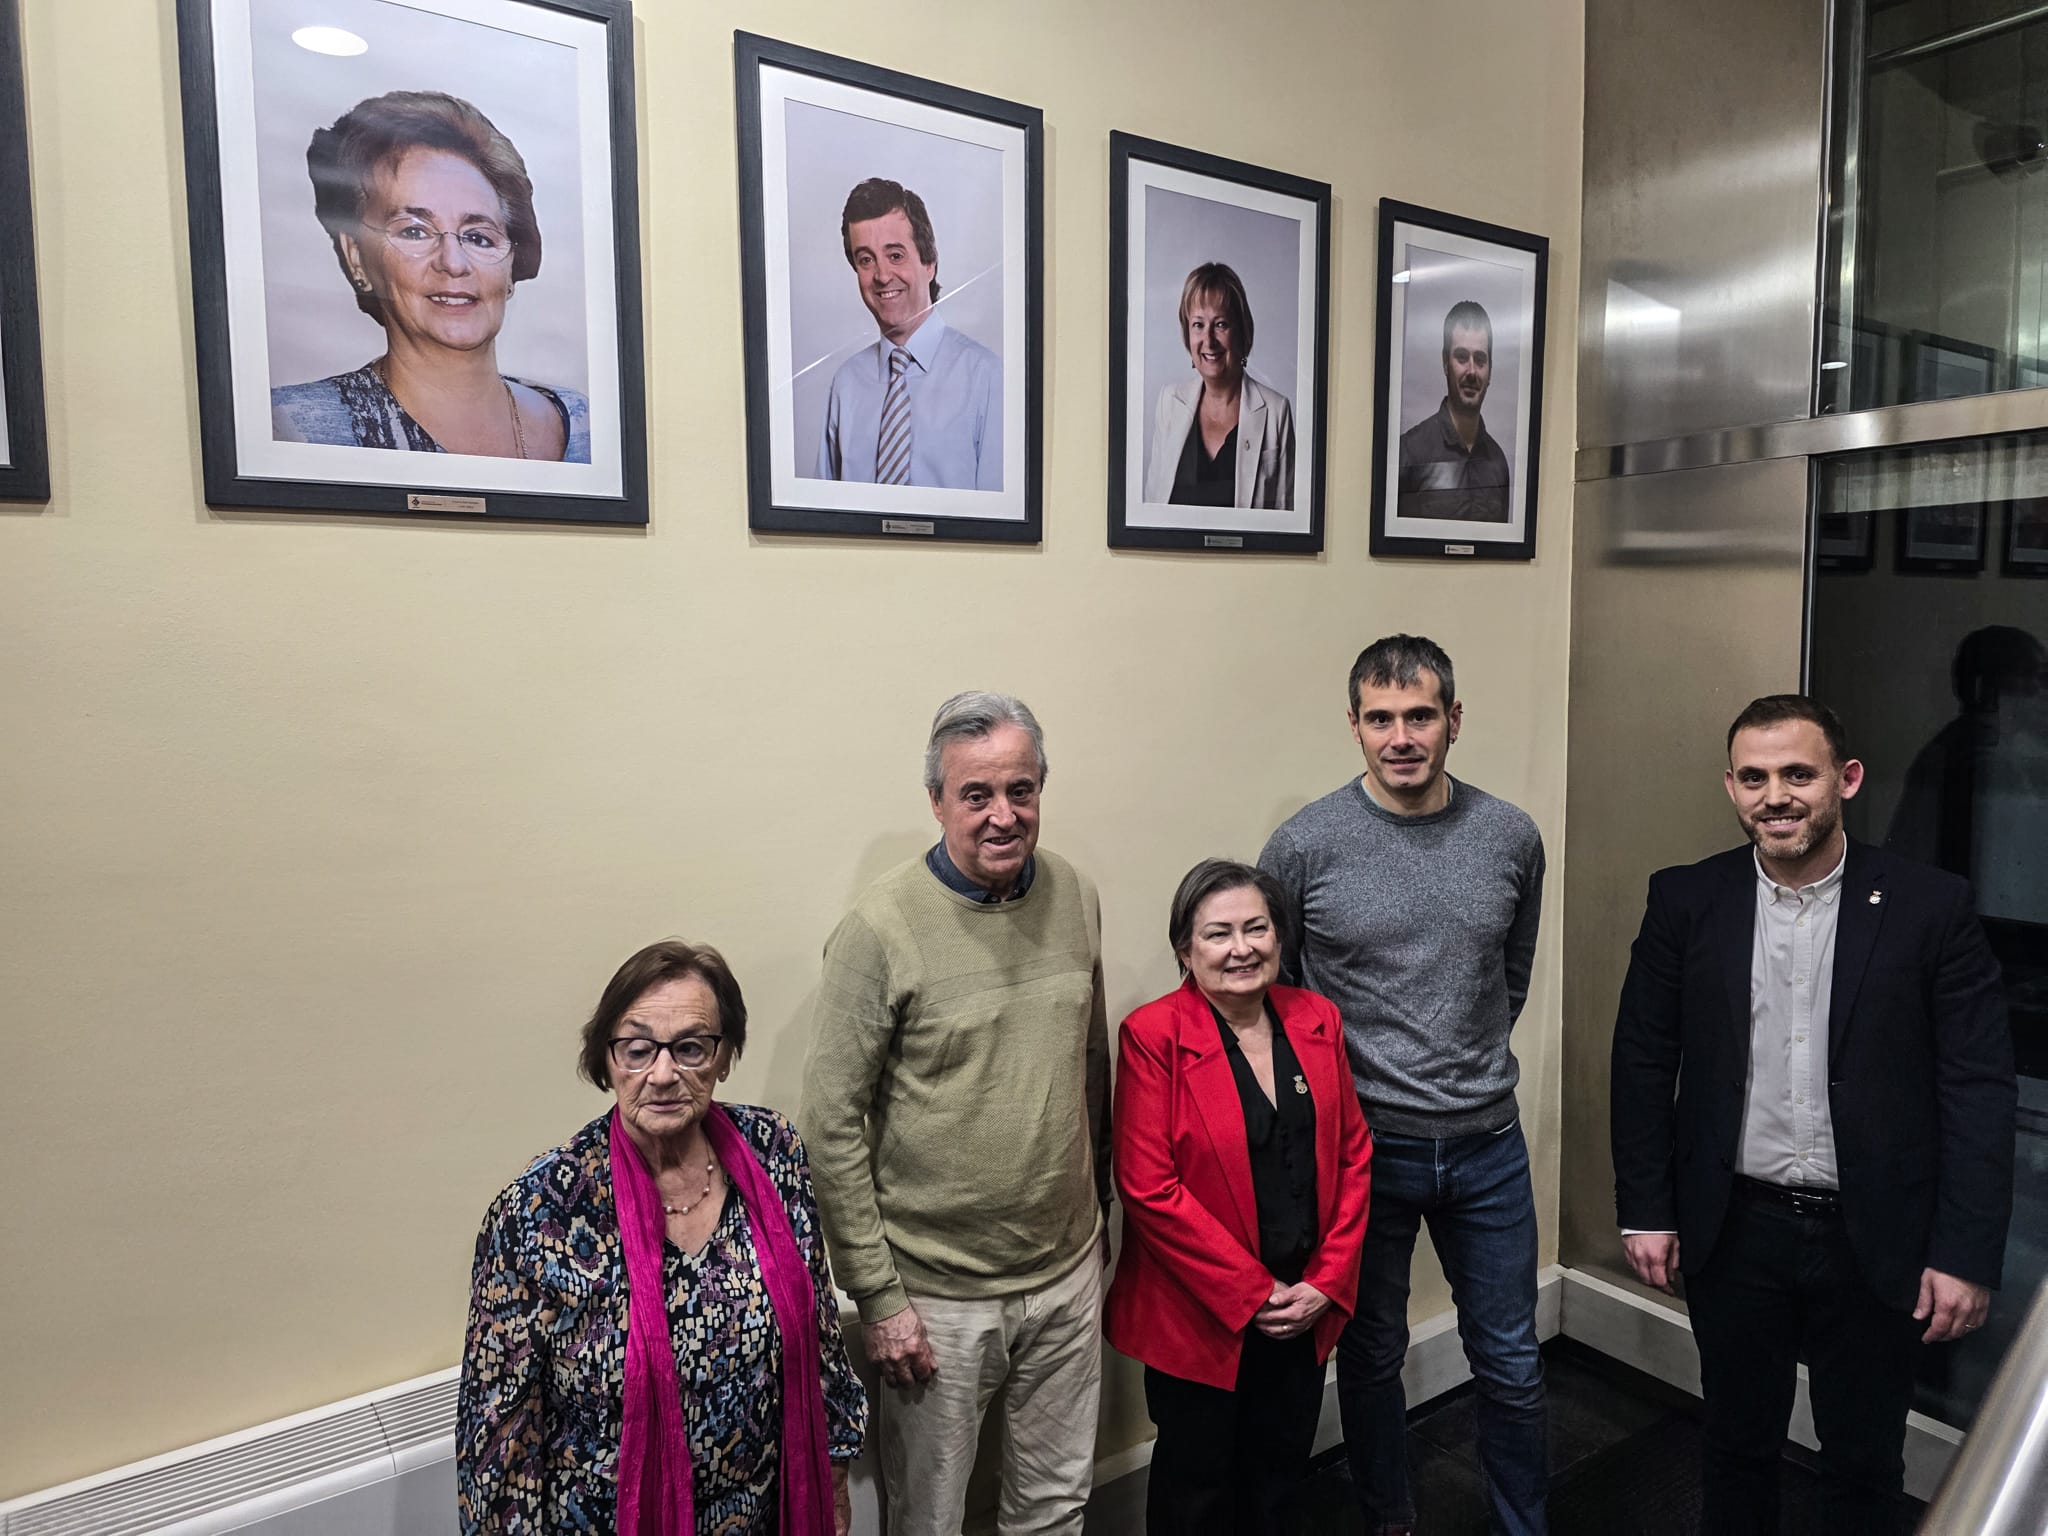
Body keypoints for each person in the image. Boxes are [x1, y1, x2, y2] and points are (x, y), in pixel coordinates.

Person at [1610, 694, 2016, 1534]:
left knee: (1864, 1464)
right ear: (1731, 787)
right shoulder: (1686, 899)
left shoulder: (1929, 907)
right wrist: (1646, 1207)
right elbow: (1644, 1061)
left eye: (1798, 774)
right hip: (1735, 1230)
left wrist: (1964, 1252)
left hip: (1873, 1238)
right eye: (1754, 778)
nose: (1776, 797)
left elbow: (1977, 1086)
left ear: (1847, 779)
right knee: (1734, 1445)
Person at [799, 691, 1109, 1536]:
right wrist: (878, 1297)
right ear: (936, 802)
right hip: (936, 1296)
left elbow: (1090, 1063)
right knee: (929, 1520)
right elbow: (830, 1124)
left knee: (1055, 1508)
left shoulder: (1076, 895)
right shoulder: (878, 929)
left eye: (1021, 790)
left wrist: (1102, 1213)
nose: (1003, 815)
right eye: (977, 795)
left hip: (1067, 1272)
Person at [1259, 633, 1548, 1536]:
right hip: (1365, 1153)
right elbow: (1281, 996)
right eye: (1380, 719)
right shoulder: (1304, 846)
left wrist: (1463, 1059)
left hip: (1488, 1146)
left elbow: (1510, 975)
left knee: (1511, 1363)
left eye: (1420, 716)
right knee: (1373, 1354)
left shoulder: (1510, 835)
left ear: (1454, 720)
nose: (1401, 737)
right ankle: (1391, 1520)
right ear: (1353, 725)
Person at [457, 940, 866, 1534]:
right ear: (606, 1060)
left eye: (691, 1047)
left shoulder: (774, 1151)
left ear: (723, 1058)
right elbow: (499, 1441)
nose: (665, 1074)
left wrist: (833, 1477)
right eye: (638, 1048)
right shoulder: (538, 1210)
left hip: (767, 1513)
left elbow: (820, 1333)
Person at [1105, 858, 1372, 1534]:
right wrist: (1253, 1294)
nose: (1241, 948)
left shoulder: (1318, 1018)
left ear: (1279, 936)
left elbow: (1353, 1153)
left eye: (1256, 928)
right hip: (1200, 1314)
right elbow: (1147, 1187)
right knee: (1195, 1493)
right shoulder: (1153, 1036)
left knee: (1279, 1482)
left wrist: (1327, 1281)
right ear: (1184, 949)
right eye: (1218, 933)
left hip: (1303, 1305)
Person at [271, 91, 590, 463]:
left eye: (478, 237)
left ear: (510, 266)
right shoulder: (290, 426)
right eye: (414, 231)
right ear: (356, 257)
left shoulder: (584, 426)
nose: (453, 263)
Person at [813, 178, 1001, 490]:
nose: (882, 276)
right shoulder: (846, 384)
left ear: (929, 263)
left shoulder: (987, 377)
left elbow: (1001, 513)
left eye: (896, 255)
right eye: (866, 260)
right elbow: (821, 511)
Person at [1141, 262, 1296, 509]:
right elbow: (1152, 507)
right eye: (1198, 325)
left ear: (1241, 331)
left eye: (1221, 324)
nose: (1209, 340)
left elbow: (1284, 517)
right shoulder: (1169, 403)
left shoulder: (1277, 412)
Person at [1396, 299, 1510, 521]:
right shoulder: (1410, 453)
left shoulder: (1498, 463)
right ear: (1445, 363)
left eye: (1480, 359)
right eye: (1461, 357)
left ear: (1490, 370)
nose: (1471, 371)